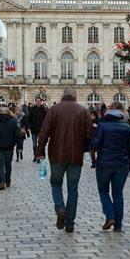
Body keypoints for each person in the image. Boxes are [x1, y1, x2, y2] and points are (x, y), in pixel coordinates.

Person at [36, 87, 93, 233]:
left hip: (56, 155)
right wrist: (86, 148)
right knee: (73, 189)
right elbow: (90, 134)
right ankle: (70, 223)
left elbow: (43, 133)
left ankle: (60, 207)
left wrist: (40, 151)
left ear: (63, 96)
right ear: (75, 96)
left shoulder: (54, 110)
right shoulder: (83, 110)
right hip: (76, 156)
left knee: (56, 183)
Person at [89, 101, 130, 232]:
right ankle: (118, 225)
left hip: (104, 164)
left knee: (103, 191)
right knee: (118, 194)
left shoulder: (102, 125)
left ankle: (110, 216)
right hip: (122, 165)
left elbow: (95, 145)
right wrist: (129, 164)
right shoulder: (127, 127)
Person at [0, 105, 20, 190]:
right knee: (8, 164)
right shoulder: (13, 121)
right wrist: (17, 145)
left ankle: (2, 181)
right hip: (9, 147)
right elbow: (17, 134)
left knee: (0, 165)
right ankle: (8, 180)